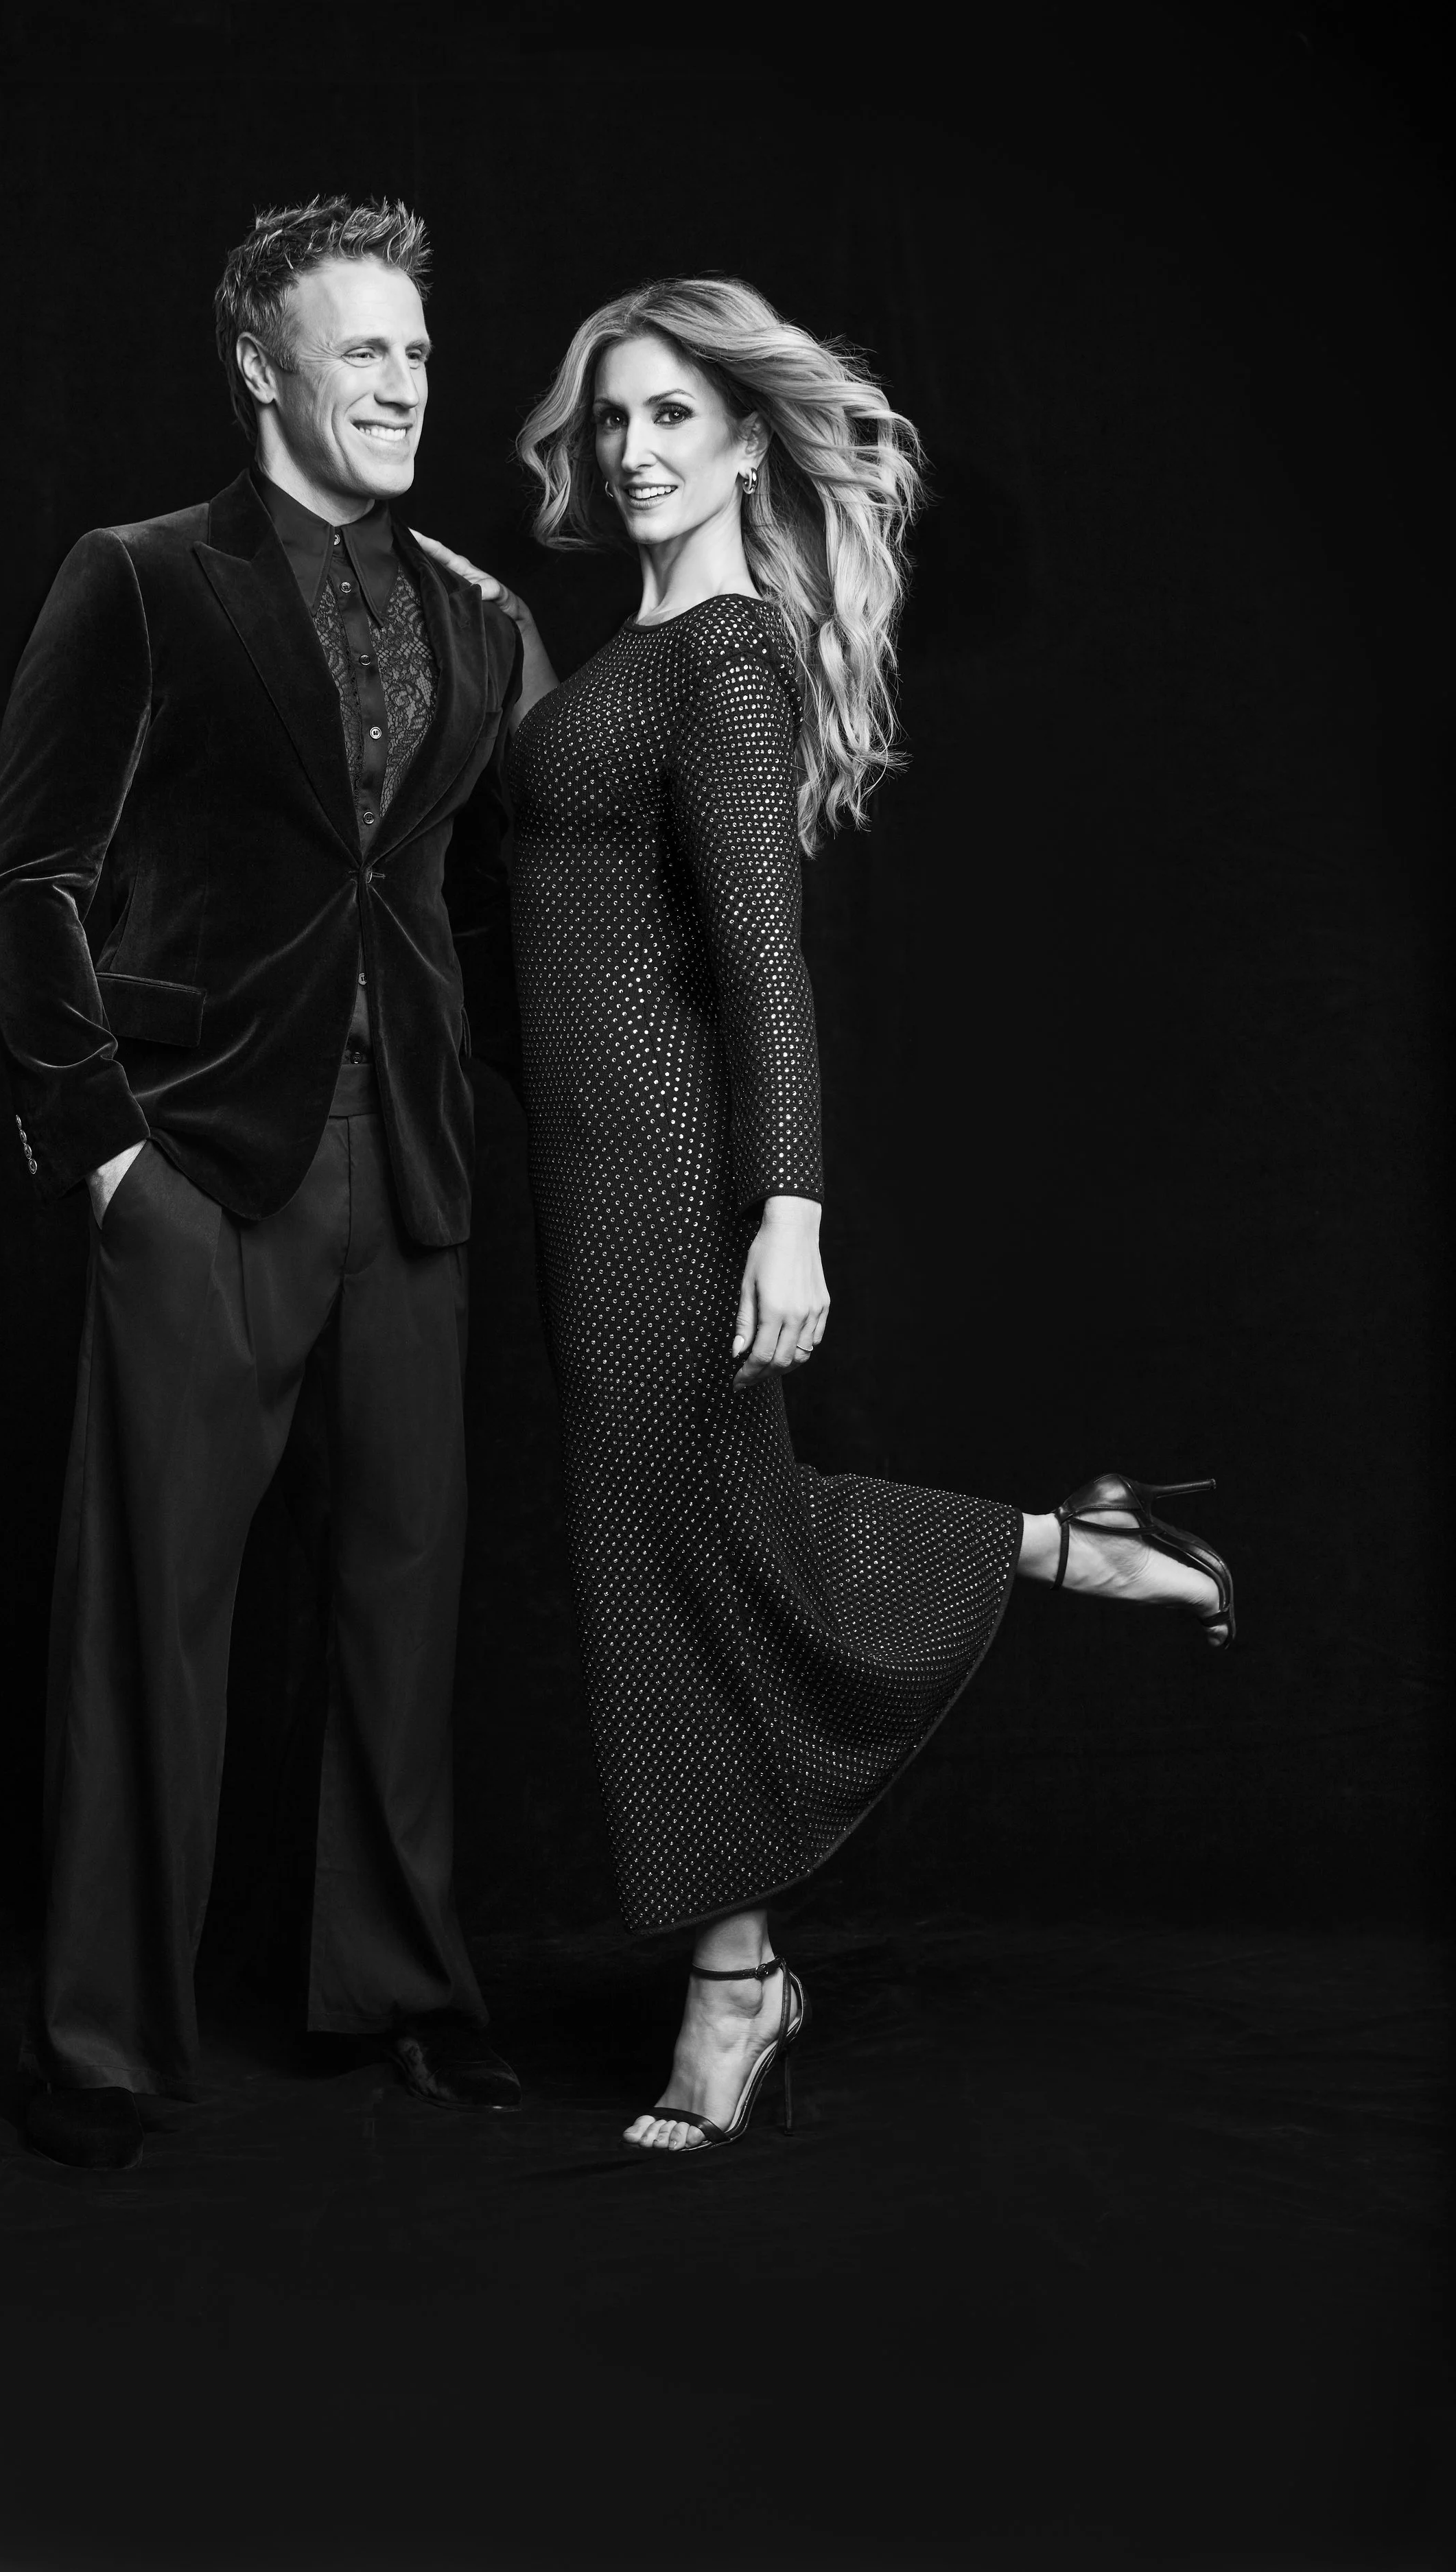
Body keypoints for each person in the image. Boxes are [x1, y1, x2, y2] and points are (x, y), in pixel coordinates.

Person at [418, 276, 1234, 2155]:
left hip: (680, 1174)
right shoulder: (617, 652)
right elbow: (515, 910)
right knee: (705, 1533)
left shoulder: (719, 655)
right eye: (607, 418)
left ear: (737, 438)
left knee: (676, 1553)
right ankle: (1050, 1544)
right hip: (585, 1166)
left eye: (669, 418)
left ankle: (731, 1986)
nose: (631, 450)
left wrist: (784, 1210)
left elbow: (764, 965)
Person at [0, 196, 526, 2171]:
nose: (403, 379)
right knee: (152, 1619)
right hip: (206, 1164)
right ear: (261, 368)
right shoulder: (136, 577)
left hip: (420, 1179)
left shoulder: (477, 615)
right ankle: (100, 2045)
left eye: (417, 350)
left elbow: (516, 892)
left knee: (402, 1601)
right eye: (361, 347)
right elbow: (24, 878)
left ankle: (394, 1991)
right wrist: (108, 1151)